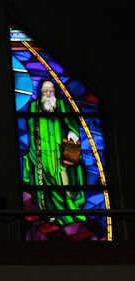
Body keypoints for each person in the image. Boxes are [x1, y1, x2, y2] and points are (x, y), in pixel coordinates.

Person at [22, 80, 85, 224]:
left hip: (60, 152)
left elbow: (72, 123)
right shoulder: (33, 107)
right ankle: (51, 212)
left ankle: (68, 207)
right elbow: (32, 130)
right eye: (45, 91)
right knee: (46, 181)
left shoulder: (62, 105)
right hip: (41, 152)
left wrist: (72, 131)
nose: (48, 94)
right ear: (41, 93)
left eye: (51, 91)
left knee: (64, 178)